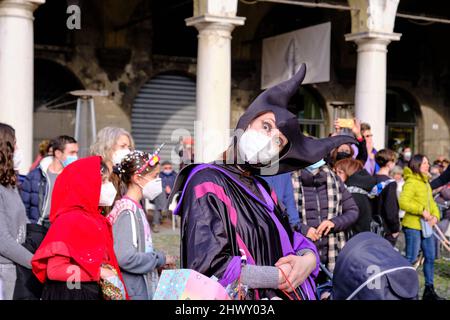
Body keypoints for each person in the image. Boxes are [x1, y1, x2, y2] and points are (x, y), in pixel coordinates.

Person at [168, 65, 356, 300]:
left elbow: (292, 235)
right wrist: (280, 277)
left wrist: (309, 259)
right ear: (248, 121)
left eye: (278, 141)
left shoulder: (263, 189)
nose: (268, 140)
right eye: (266, 127)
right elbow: (209, 267)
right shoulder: (206, 181)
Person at [31, 156, 127, 300]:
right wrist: (98, 272)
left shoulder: (96, 219)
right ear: (86, 185)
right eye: (103, 181)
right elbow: (55, 270)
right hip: (71, 293)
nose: (109, 186)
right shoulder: (68, 220)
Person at [108, 151, 176, 300]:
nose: (158, 181)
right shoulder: (127, 212)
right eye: (154, 176)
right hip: (133, 291)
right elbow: (125, 258)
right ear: (137, 178)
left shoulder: (136, 207)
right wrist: (160, 259)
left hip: (139, 288)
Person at [291, 159, 359, 276]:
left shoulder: (334, 179)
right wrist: (302, 229)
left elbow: (352, 211)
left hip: (332, 253)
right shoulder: (290, 180)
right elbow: (282, 215)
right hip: (302, 252)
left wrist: (334, 223)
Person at [399, 154, 444, 300]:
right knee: (411, 257)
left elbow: (432, 204)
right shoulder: (411, 182)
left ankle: (429, 291)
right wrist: (421, 210)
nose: (428, 165)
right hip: (413, 226)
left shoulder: (425, 183)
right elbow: (403, 203)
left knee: (430, 257)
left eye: (427, 163)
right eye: (424, 163)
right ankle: (403, 288)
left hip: (426, 227)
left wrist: (436, 216)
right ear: (417, 165)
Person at [0, 123, 34, 300]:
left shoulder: (9, 185)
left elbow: (24, 222)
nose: (19, 149)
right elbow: (3, 241)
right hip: (5, 271)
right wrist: (35, 262)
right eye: (15, 144)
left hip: (17, 267)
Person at [20, 136, 78, 227]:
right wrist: (30, 227)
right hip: (36, 230)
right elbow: (23, 207)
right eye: (72, 153)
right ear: (58, 153)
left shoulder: (74, 178)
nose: (75, 157)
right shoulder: (34, 176)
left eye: (76, 153)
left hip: (60, 230)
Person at [334, 158, 376, 235]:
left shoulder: (352, 194)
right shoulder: (360, 190)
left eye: (340, 172)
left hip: (355, 237)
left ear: (349, 172)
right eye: (335, 172)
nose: (336, 175)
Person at [374, 149, 401, 246]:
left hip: (371, 226)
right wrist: (395, 229)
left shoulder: (371, 179)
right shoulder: (390, 183)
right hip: (386, 229)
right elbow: (391, 209)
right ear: (389, 163)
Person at [151, 161, 177, 233]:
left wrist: (171, 190)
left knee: (158, 205)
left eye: (169, 168)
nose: (168, 169)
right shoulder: (158, 175)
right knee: (161, 193)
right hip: (158, 195)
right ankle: (164, 210)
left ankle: (156, 223)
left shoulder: (175, 176)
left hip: (171, 197)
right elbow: (154, 185)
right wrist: (165, 187)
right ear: (162, 168)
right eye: (166, 168)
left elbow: (178, 187)